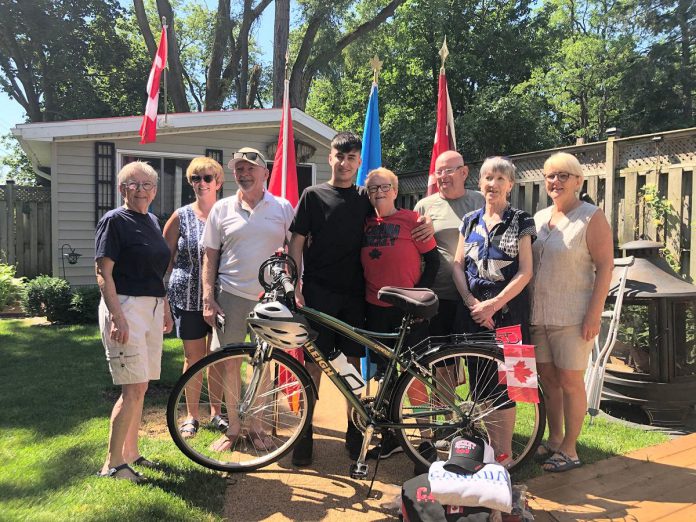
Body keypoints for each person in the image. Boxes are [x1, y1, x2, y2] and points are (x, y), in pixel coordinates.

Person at [288, 132, 433, 467]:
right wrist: (295, 282)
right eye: (340, 156)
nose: (345, 163)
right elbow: (296, 242)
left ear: (357, 162)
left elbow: (390, 215)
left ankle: (354, 434)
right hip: (317, 293)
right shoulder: (312, 195)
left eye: (352, 158)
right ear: (331, 158)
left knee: (350, 365)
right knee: (314, 366)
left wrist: (424, 223)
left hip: (356, 296)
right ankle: (304, 434)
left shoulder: (364, 197)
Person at [201, 147, 294, 452]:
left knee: (263, 366)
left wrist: (297, 285)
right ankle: (234, 429)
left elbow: (296, 252)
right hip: (230, 297)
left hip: (270, 299)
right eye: (238, 169)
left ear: (265, 173)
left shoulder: (282, 208)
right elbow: (209, 257)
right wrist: (208, 297)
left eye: (250, 168)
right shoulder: (221, 209)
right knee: (229, 364)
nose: (243, 174)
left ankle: (258, 428)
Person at [529, 152, 613, 473]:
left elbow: (605, 266)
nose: (556, 181)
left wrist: (595, 313)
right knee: (548, 379)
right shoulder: (538, 219)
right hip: (540, 316)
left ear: (578, 180)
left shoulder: (591, 217)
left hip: (574, 316)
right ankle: (554, 439)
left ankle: (570, 449)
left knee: (570, 381)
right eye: (551, 175)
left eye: (563, 175)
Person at [452, 156, 536, 465]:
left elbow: (525, 271)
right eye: (488, 177)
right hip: (473, 314)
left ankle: (506, 455)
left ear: (511, 185)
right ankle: (491, 448)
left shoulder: (521, 219)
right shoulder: (470, 220)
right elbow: (458, 265)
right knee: (481, 383)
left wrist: (493, 304)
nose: (493, 184)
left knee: (510, 384)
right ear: (480, 182)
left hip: (508, 313)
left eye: (501, 178)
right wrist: (472, 303)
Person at [95, 161, 173, 482]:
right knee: (132, 388)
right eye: (133, 184)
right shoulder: (114, 221)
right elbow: (103, 273)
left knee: (141, 385)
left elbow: (157, 271)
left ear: (155, 190)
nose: (141, 190)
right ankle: (113, 465)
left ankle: (132, 453)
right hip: (125, 306)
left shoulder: (153, 220)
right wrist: (117, 315)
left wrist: (165, 308)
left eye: (147, 185)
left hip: (152, 307)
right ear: (122, 189)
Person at [360, 167, 439, 460]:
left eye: (384, 187)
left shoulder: (412, 221)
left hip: (408, 312)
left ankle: (426, 438)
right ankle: (391, 436)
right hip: (375, 311)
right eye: (372, 189)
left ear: (395, 190)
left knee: (416, 377)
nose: (378, 193)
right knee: (386, 376)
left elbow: (433, 262)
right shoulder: (364, 223)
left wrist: (417, 300)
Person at [163, 157, 226, 439]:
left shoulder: (227, 214)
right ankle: (191, 415)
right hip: (187, 298)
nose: (202, 183)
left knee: (218, 357)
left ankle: (217, 413)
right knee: (193, 358)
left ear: (218, 182)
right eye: (195, 179)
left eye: (207, 178)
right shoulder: (180, 216)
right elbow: (164, 259)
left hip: (222, 298)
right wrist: (160, 296)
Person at [414, 151, 485, 339]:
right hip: (440, 293)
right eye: (439, 172)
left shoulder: (481, 201)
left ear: (464, 172)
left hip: (476, 293)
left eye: (449, 170)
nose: (443, 176)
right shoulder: (424, 206)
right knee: (442, 360)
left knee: (474, 357)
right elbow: (414, 250)